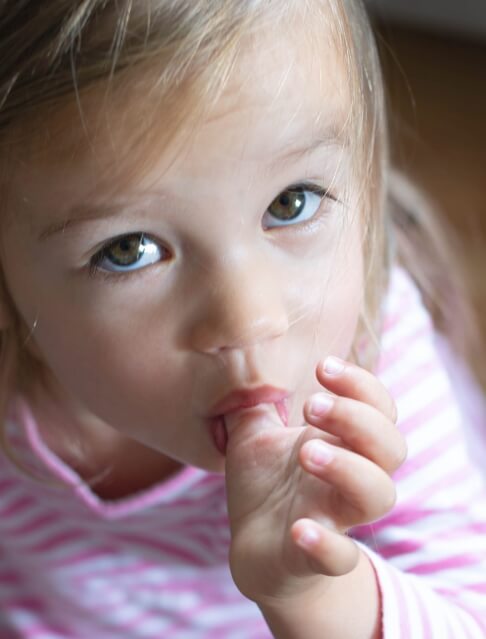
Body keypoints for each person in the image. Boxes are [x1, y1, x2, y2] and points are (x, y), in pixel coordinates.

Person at [0, 1, 484, 637]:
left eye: (292, 202)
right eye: (129, 250)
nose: (250, 320)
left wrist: (313, 593)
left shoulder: (369, 373)